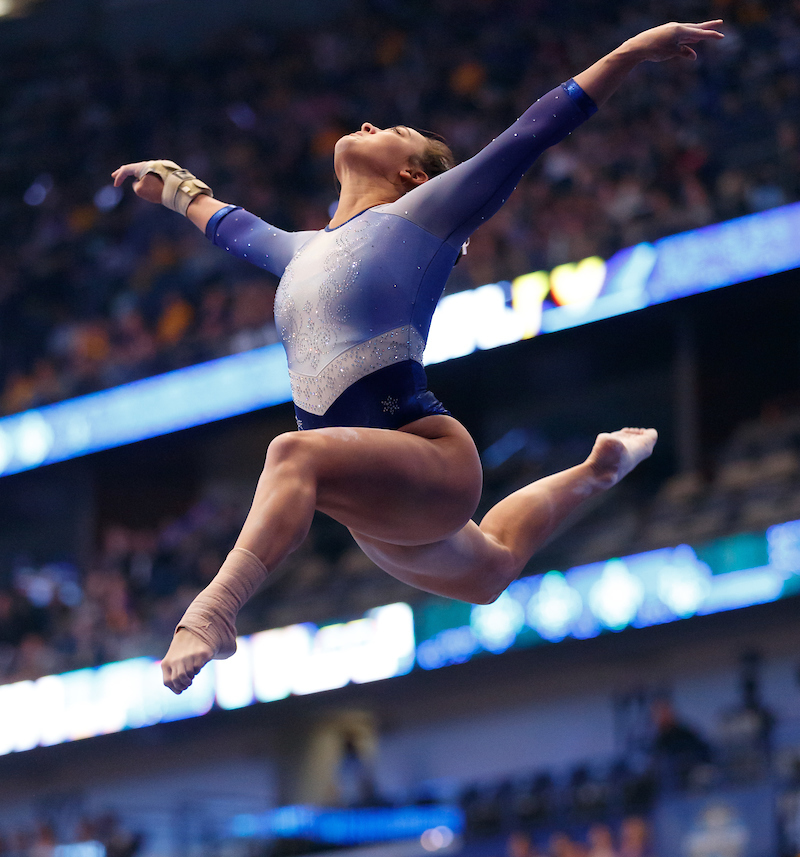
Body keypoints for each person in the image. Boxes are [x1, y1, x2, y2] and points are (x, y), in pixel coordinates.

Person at [112, 20, 724, 695]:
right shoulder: (299, 250)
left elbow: (536, 130)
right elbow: (229, 224)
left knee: (291, 455)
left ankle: (213, 612)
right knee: (489, 572)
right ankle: (598, 471)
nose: (371, 122)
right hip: (376, 511)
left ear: (412, 172)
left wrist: (632, 51)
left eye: (392, 130)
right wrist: (168, 183)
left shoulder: (426, 215)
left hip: (427, 457)